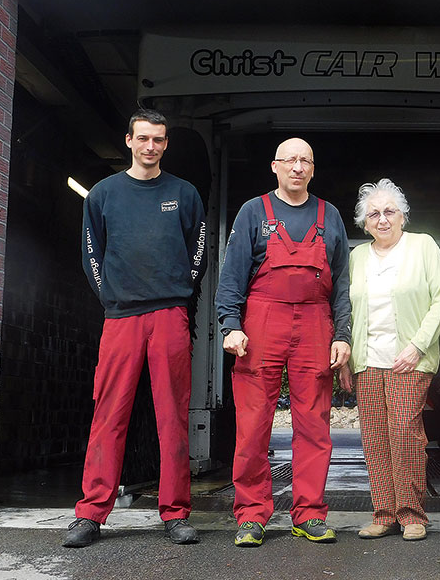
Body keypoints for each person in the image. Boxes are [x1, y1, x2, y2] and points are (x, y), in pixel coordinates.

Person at [64, 109, 207, 548]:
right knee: (109, 415)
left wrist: (179, 290)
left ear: (166, 144)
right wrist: (112, 296)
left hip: (168, 315)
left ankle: (176, 513)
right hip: (121, 317)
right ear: (128, 140)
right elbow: (92, 253)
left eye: (159, 140)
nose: (151, 146)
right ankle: (91, 514)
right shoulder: (103, 195)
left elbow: (197, 252)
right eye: (143, 138)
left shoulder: (184, 194)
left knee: (172, 417)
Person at [215, 138, 351, 547]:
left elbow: (342, 283)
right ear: (274, 166)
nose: (297, 167)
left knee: (314, 422)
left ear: (313, 168)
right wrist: (230, 325)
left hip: (314, 322)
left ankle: (308, 514)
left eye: (305, 160)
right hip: (262, 320)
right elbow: (232, 274)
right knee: (253, 423)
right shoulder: (253, 211)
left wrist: (342, 334)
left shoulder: (331, 216)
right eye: (290, 160)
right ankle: (252, 515)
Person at [342, 179, 440, 542]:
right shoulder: (357, 257)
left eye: (389, 211)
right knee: (373, 438)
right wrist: (346, 357)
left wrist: (418, 345)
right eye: (373, 214)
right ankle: (384, 513)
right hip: (367, 360)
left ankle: (412, 513)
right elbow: (346, 309)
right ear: (364, 222)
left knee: (404, 434)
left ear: (402, 215)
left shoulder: (423, 246)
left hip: (409, 359)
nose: (382, 219)